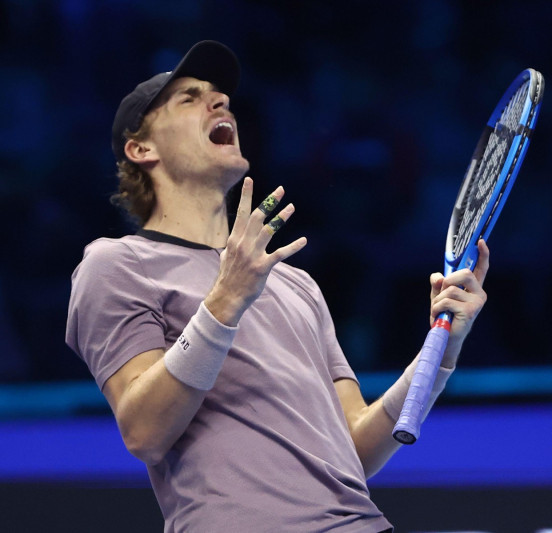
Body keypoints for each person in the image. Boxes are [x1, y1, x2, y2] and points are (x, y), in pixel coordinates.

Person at [65, 40, 489, 532]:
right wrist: (225, 299)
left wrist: (442, 350)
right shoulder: (118, 264)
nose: (220, 101)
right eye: (189, 98)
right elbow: (144, 431)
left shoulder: (296, 285)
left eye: (219, 95)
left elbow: (352, 446)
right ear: (142, 149)